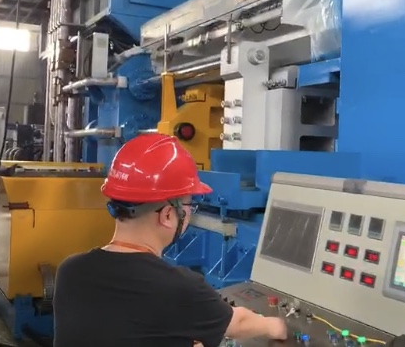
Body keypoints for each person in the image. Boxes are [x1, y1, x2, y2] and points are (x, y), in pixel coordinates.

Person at [53, 134, 288, 347]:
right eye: (189, 206)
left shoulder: (70, 271)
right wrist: (276, 326)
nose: (189, 214)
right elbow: (239, 323)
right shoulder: (179, 287)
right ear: (167, 215)